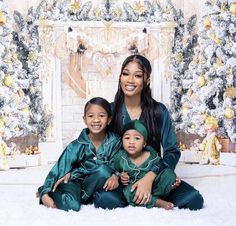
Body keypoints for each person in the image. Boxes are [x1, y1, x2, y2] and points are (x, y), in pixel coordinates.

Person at [94, 54, 204, 210]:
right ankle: (141, 196)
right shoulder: (109, 111)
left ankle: (145, 195)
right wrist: (115, 175)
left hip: (155, 175)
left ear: (147, 81)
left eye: (138, 75)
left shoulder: (159, 111)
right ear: (120, 78)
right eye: (126, 73)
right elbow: (96, 148)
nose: (130, 80)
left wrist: (151, 177)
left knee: (193, 200)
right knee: (104, 199)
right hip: (123, 179)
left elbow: (172, 151)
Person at [37, 97, 121, 211]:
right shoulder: (75, 146)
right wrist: (45, 192)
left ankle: (81, 197)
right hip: (74, 182)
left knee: (103, 171)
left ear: (109, 119)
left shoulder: (115, 142)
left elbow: (118, 164)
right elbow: (58, 170)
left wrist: (116, 175)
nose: (96, 120)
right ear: (84, 119)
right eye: (91, 116)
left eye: (101, 116)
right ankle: (51, 193)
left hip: (96, 183)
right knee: (72, 206)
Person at [114, 119, 176, 210]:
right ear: (122, 141)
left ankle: (153, 196)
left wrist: (174, 179)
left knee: (169, 174)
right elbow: (115, 171)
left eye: (137, 138)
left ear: (144, 143)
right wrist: (120, 176)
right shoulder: (120, 158)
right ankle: (156, 202)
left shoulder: (152, 156)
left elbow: (161, 170)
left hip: (154, 187)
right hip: (135, 189)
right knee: (128, 192)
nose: (131, 142)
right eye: (127, 138)